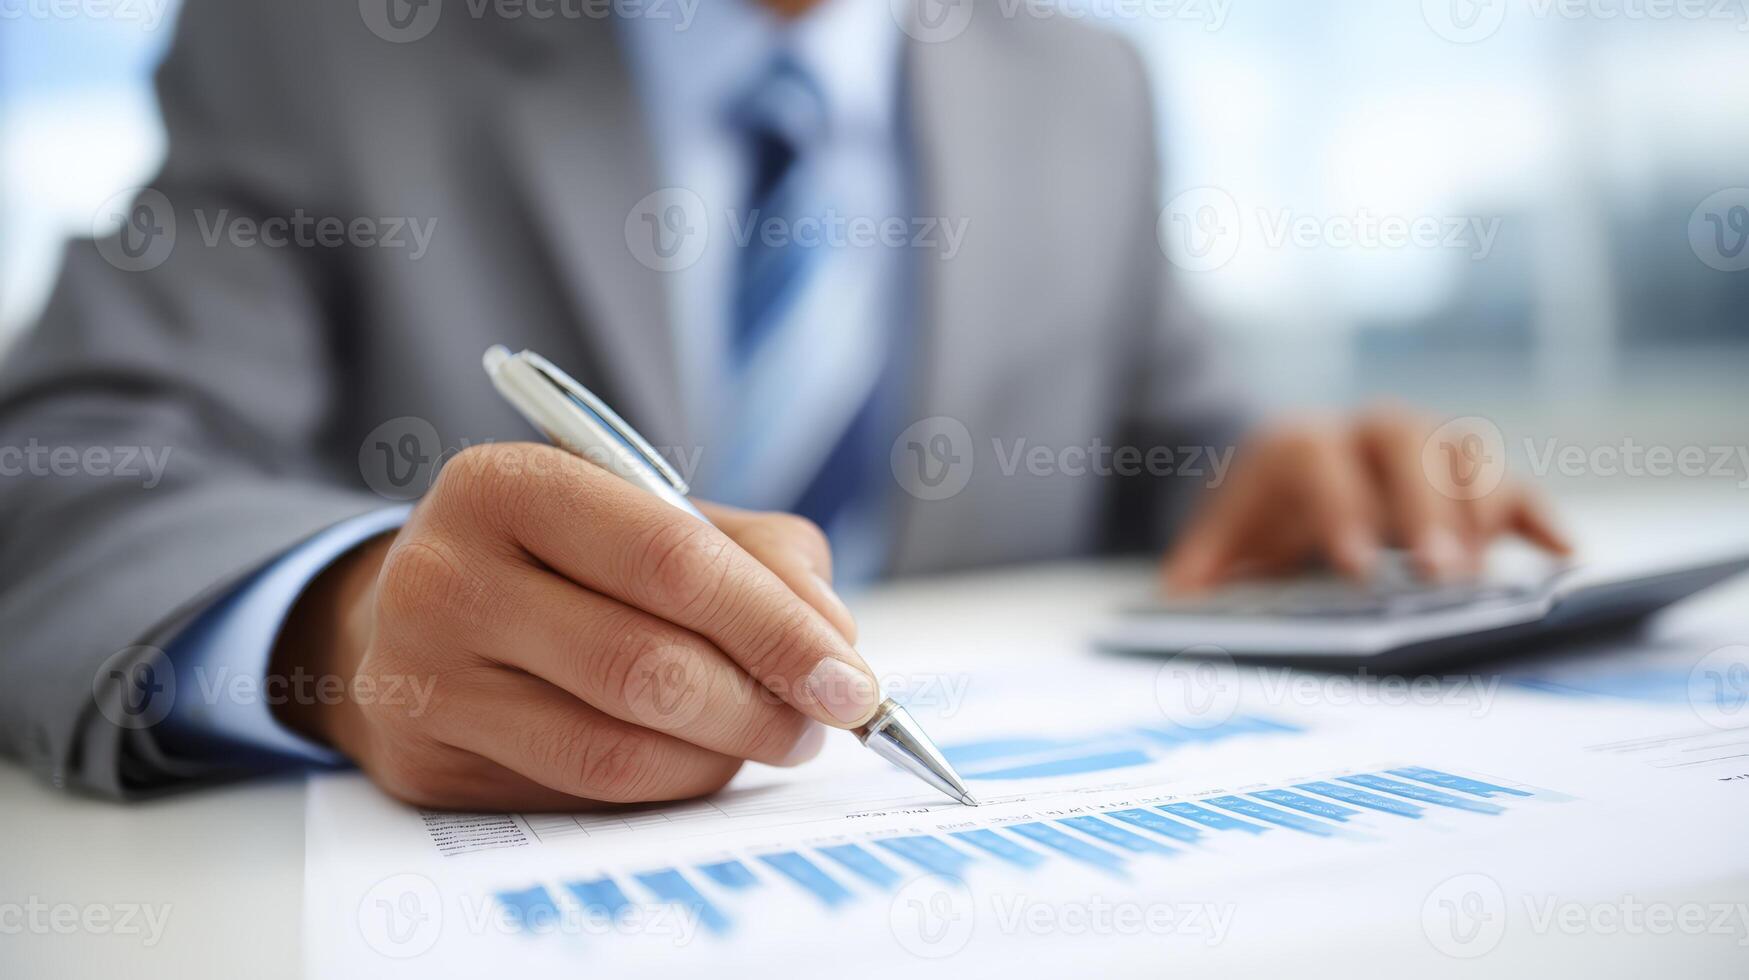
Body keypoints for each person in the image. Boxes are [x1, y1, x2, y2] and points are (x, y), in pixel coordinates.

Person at [0, 0, 1566, 807]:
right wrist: (340, 629)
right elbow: (65, 464)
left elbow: (1161, 429)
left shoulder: (1082, 78)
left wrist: (1275, 478)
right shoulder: (322, 39)